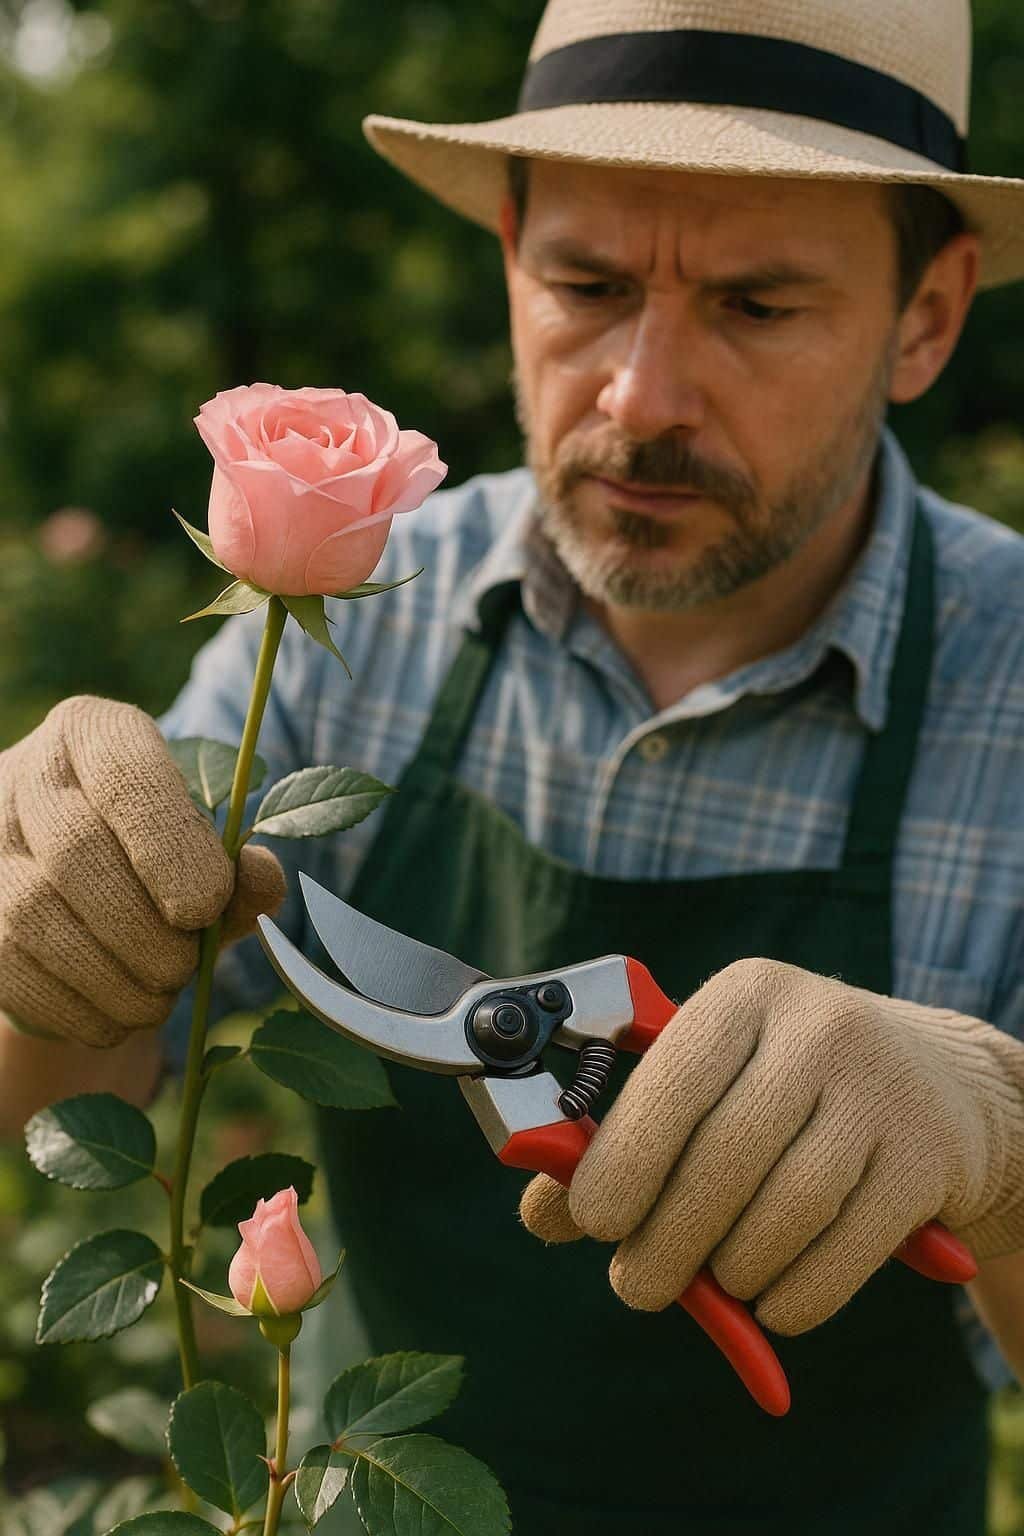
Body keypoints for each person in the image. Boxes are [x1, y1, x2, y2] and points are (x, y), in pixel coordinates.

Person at [2, 0, 1024, 1529]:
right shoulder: (359, 607)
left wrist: (1005, 1150)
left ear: (929, 316)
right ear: (508, 259)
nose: (642, 397)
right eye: (589, 284)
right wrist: (44, 909)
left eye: (756, 306)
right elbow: (65, 1083)